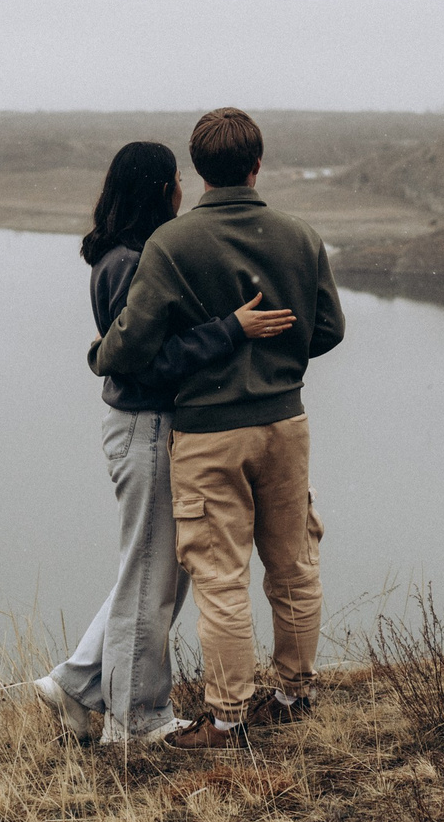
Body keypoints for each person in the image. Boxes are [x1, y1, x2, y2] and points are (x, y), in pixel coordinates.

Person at [91, 108, 345, 750]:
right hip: (286, 422)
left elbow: (129, 349)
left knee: (220, 577)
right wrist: (276, 361)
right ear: (258, 164)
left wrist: (98, 355)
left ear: (197, 172)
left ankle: (228, 717)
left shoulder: (171, 246)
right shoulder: (299, 234)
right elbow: (330, 330)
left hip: (208, 433)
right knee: (294, 563)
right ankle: (294, 694)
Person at [34, 141, 294, 746]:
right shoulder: (132, 262)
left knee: (153, 574)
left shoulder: (124, 254)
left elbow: (125, 351)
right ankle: (136, 720)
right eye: (175, 181)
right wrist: (233, 329)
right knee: (153, 579)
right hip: (149, 426)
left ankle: (75, 683)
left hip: (147, 428)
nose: (183, 191)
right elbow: (148, 360)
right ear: (158, 190)